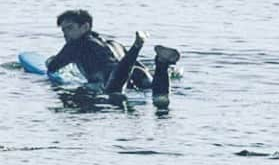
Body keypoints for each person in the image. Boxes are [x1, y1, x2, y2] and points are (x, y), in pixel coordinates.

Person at [46, 9, 180, 103]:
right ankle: (162, 63)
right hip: (138, 72)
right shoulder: (113, 44)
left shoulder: (75, 45)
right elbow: (138, 66)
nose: (65, 34)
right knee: (159, 96)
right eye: (63, 30)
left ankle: (137, 45)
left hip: (115, 78)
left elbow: (53, 67)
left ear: (85, 27)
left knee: (113, 92)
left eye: (70, 28)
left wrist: (50, 61)